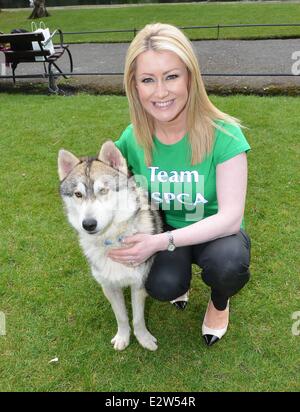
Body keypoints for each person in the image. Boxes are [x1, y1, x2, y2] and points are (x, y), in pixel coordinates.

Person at [108, 23, 251, 346]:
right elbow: (106, 181)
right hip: (165, 229)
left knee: (228, 266)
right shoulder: (133, 137)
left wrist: (158, 243)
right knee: (162, 285)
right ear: (135, 86)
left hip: (216, 233)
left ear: (190, 77)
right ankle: (179, 279)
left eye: (171, 76)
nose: (160, 92)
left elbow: (229, 218)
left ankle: (219, 303)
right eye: (148, 80)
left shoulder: (225, 135)